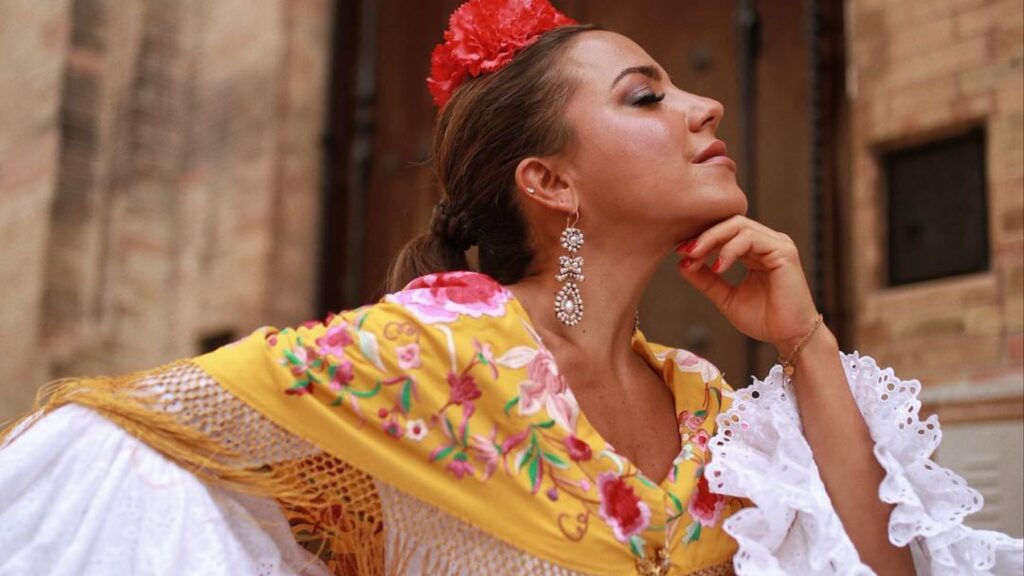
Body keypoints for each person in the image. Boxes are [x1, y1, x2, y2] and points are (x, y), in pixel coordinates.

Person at [1, 0, 1021, 574]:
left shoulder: (702, 399)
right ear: (550, 182)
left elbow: (886, 569)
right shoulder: (423, 357)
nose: (706, 105)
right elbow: (119, 450)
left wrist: (802, 343)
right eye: (645, 96)